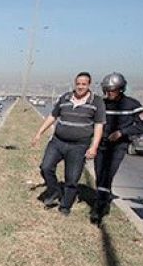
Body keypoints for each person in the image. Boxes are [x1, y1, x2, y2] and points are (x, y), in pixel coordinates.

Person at [31, 72, 106, 215]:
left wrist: (94, 147)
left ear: (89, 85)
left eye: (84, 84)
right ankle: (54, 191)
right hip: (58, 142)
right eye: (78, 84)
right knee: (46, 167)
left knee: (71, 178)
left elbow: (98, 125)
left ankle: (65, 206)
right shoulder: (65, 97)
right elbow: (53, 116)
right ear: (75, 83)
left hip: (79, 146)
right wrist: (39, 133)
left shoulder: (96, 102)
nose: (80, 87)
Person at [90, 72, 143, 225]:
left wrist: (122, 133)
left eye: (112, 90)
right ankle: (103, 198)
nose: (109, 93)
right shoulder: (101, 104)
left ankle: (99, 207)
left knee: (107, 174)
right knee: (99, 174)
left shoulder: (132, 105)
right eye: (107, 90)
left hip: (118, 146)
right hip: (102, 145)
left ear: (121, 89)